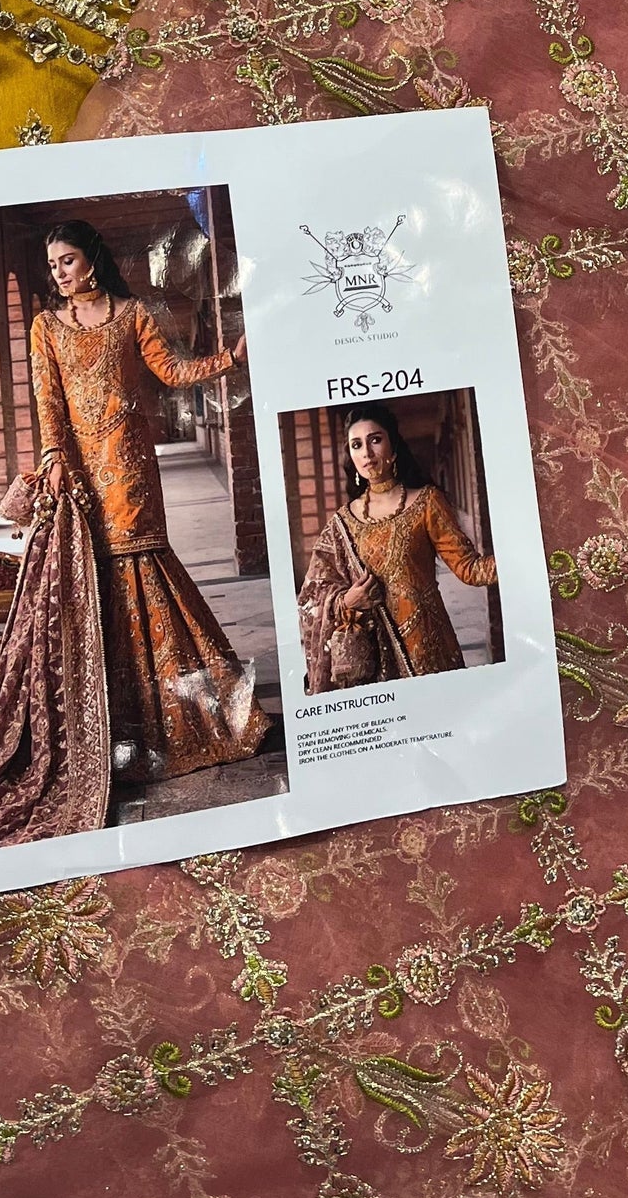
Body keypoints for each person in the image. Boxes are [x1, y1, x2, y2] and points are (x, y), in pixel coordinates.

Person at [28, 217, 265, 791]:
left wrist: (229, 360)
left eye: (67, 260)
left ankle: (179, 713)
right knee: (97, 580)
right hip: (80, 473)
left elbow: (172, 371)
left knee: (144, 567)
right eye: (53, 264)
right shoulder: (46, 327)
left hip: (132, 468)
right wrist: (54, 455)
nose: (60, 273)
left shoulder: (133, 315)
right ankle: (113, 721)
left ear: (92, 257)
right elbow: (48, 400)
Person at [299, 403, 496, 694]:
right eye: (356, 445)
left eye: (375, 440)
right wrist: (345, 601)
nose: (366, 452)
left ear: (393, 447)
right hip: (374, 663)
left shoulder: (427, 502)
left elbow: (470, 569)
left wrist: (523, 556)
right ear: (350, 455)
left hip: (428, 651)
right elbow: (311, 596)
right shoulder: (342, 523)